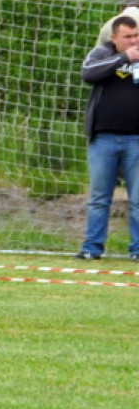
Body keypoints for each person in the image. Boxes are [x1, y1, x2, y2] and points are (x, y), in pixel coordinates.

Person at [75, 15, 139, 261]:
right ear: (114, 38)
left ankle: (137, 249)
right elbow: (88, 74)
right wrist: (124, 59)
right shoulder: (101, 54)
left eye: (136, 36)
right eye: (127, 37)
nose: (133, 41)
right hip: (104, 139)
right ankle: (92, 248)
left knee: (137, 199)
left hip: (136, 140)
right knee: (100, 197)